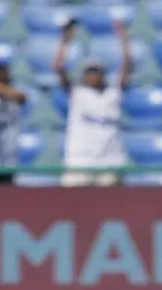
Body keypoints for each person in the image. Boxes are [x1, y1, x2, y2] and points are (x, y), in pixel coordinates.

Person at [55, 20, 131, 187]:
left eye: (96, 72)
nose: (93, 76)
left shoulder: (113, 93)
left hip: (110, 162)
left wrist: (123, 38)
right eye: (89, 72)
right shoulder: (77, 93)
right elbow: (58, 67)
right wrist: (65, 41)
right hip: (80, 161)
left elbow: (128, 66)